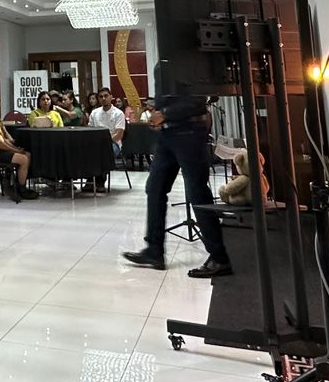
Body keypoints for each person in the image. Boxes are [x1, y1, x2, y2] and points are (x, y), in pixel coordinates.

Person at [123, 94, 233, 278]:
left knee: (197, 192)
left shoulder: (187, 72)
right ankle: (154, 250)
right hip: (168, 134)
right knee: (155, 188)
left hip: (189, 133)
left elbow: (197, 99)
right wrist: (157, 109)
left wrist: (164, 113)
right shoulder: (166, 72)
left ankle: (219, 258)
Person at [89, 87, 126, 162]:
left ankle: (104, 169)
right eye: (101, 97)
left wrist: (104, 142)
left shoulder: (118, 113)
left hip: (113, 143)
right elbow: (90, 131)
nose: (103, 98)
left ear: (111, 97)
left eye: (106, 96)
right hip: (97, 143)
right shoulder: (94, 113)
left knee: (105, 152)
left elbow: (119, 135)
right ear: (98, 99)